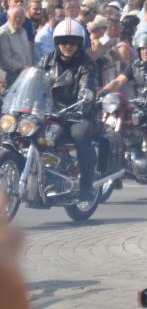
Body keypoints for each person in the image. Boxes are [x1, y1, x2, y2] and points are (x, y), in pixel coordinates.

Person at [38, 18, 98, 200]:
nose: (68, 46)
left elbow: (87, 87)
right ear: (57, 42)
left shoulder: (86, 64)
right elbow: (35, 80)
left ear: (79, 43)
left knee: (81, 134)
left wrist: (82, 104)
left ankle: (86, 184)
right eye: (63, 41)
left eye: (72, 42)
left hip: (76, 114)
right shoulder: (47, 60)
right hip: (50, 112)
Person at [101, 31, 147, 106]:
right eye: (142, 49)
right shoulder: (135, 65)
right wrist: (105, 91)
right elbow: (118, 81)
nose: (145, 51)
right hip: (139, 106)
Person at [0, 6, 33, 87]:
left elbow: (27, 54)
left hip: (25, 75)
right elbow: (6, 61)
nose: (18, 19)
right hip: (9, 77)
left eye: (21, 17)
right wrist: (24, 68)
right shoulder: (3, 33)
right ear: (8, 17)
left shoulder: (23, 31)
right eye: (15, 17)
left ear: (24, 19)